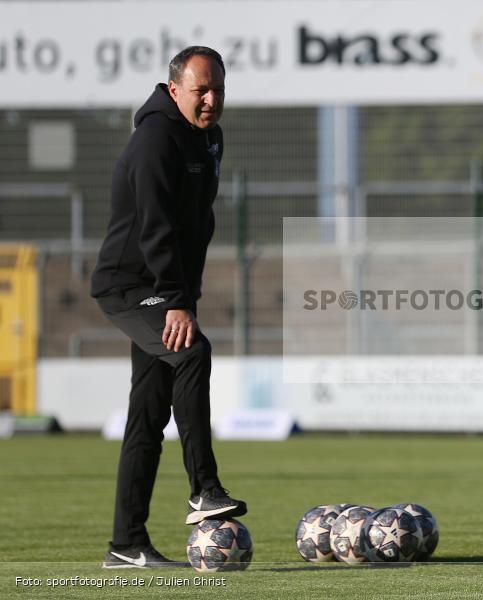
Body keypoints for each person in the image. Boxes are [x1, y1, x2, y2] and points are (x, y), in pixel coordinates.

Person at [91, 46, 246, 569]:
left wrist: (185, 297)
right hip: (130, 285)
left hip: (164, 288)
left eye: (218, 89)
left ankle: (125, 544)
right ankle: (204, 488)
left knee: (148, 415)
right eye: (201, 89)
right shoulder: (156, 140)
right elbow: (156, 228)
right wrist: (176, 304)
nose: (210, 99)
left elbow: (196, 227)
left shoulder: (209, 137)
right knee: (193, 353)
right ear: (173, 88)